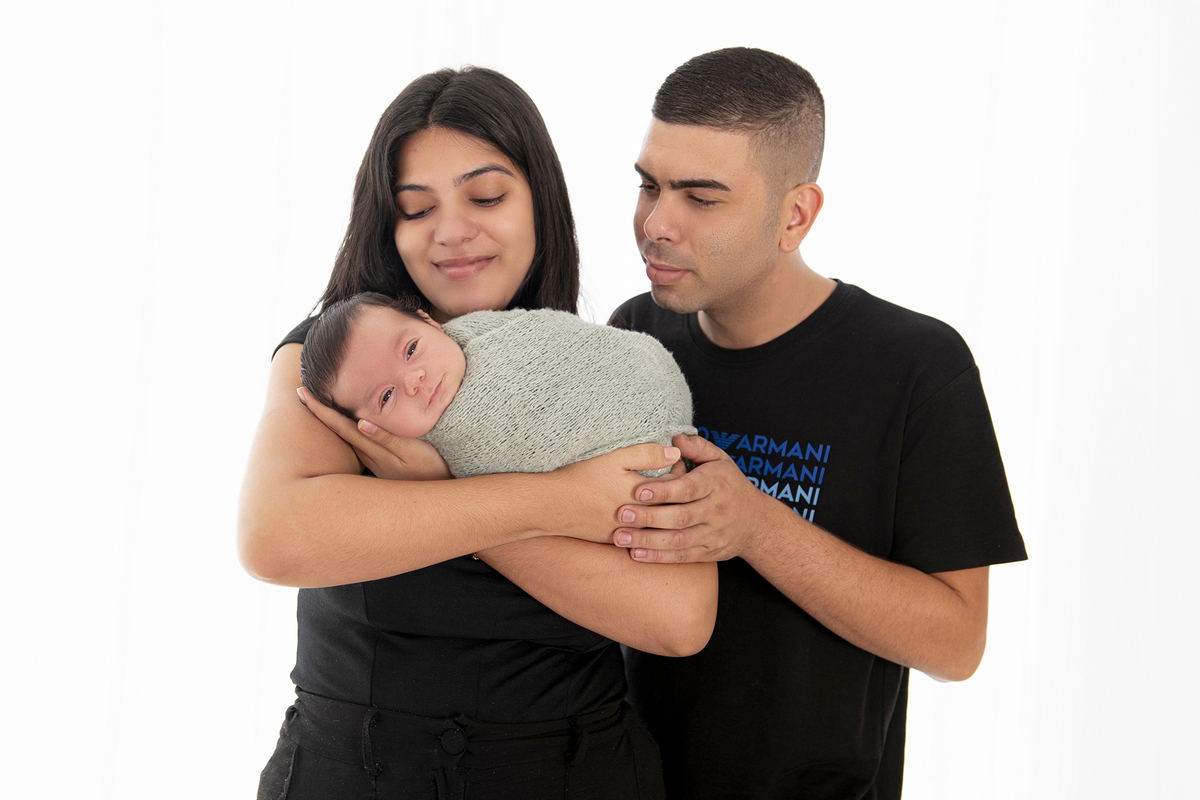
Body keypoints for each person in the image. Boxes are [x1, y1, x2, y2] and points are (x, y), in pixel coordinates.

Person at [238, 66, 717, 800]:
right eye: (416, 208)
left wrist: (439, 489)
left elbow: (679, 619)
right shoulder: (346, 363)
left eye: (487, 196)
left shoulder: (600, 371)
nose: (452, 231)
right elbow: (276, 538)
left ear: (540, 202)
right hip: (356, 773)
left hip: (575, 773)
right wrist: (560, 502)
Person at [607, 48, 1029, 799]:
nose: (656, 224)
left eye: (701, 198)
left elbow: (957, 643)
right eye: (649, 185)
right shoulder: (635, 336)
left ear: (795, 215)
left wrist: (755, 528)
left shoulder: (918, 366)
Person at [298, 292, 695, 479]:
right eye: (386, 396)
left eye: (411, 349)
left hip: (646, 380)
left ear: (430, 322)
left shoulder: (478, 330)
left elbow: (557, 334)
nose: (413, 380)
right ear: (367, 428)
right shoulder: (433, 449)